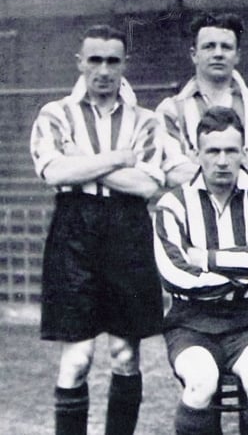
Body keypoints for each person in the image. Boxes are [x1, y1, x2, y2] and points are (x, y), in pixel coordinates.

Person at [29, 24, 164, 435]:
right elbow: (53, 172)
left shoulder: (146, 120)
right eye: (95, 60)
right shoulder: (55, 114)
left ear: (125, 64)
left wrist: (83, 160)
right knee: (78, 358)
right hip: (74, 229)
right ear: (80, 63)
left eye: (112, 61)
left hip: (127, 229)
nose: (103, 70)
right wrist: (117, 159)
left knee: (125, 354)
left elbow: (146, 184)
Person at [153, 107, 248, 435]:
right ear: (196, 154)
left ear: (244, 152)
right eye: (213, 151)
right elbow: (174, 275)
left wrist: (207, 259)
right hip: (191, 321)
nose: (222, 160)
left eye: (231, 150)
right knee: (200, 382)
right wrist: (246, 270)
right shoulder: (173, 204)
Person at [156, 12, 248, 188]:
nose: (218, 53)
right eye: (209, 46)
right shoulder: (170, 111)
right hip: (193, 210)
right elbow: (175, 172)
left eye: (226, 47)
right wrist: (240, 158)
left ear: (237, 55)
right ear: (194, 54)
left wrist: (201, 160)